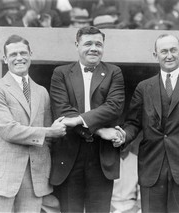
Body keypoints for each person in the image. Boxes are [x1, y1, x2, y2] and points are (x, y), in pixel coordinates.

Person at [114, 33, 179, 213]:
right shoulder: (144, 87)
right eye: (164, 51)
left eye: (173, 50)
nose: (169, 55)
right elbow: (133, 123)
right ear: (155, 55)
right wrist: (123, 136)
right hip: (152, 170)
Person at [0, 34, 67, 213]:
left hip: (34, 178)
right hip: (2, 176)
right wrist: (50, 132)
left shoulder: (41, 92)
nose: (19, 58)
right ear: (5, 59)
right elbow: (8, 130)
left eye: (23, 53)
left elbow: (48, 139)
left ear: (30, 54)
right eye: (13, 55)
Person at [49, 26, 125, 213]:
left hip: (101, 157)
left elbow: (114, 107)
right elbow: (62, 110)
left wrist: (78, 120)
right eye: (88, 43)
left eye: (98, 44)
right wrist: (99, 130)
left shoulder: (114, 72)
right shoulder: (61, 73)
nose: (94, 48)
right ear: (77, 45)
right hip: (69, 155)